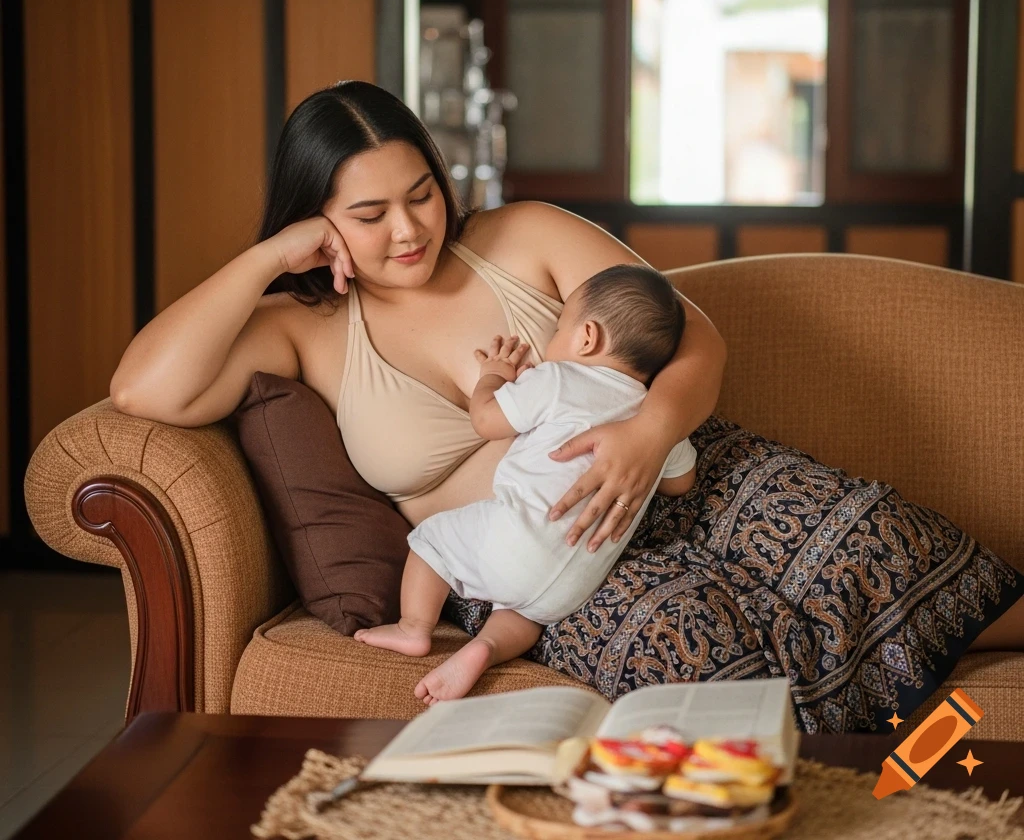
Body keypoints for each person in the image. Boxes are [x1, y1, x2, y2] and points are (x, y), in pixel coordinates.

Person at [110, 80, 1024, 732]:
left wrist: (652, 430)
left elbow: (693, 332)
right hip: (542, 564)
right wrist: (273, 255)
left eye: (422, 193)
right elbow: (144, 389)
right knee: (688, 649)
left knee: (876, 547)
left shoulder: (523, 235)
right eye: (369, 213)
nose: (408, 229)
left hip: (680, 474)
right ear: (319, 221)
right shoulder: (301, 330)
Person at [354, 264, 700, 704]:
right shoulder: (656, 420)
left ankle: (413, 628)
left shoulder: (557, 380)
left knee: (431, 539)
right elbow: (681, 481)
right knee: (523, 611)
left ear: (587, 337)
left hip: (512, 541)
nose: (554, 337)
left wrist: (493, 378)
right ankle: (487, 647)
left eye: (560, 326)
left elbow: (486, 420)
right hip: (571, 587)